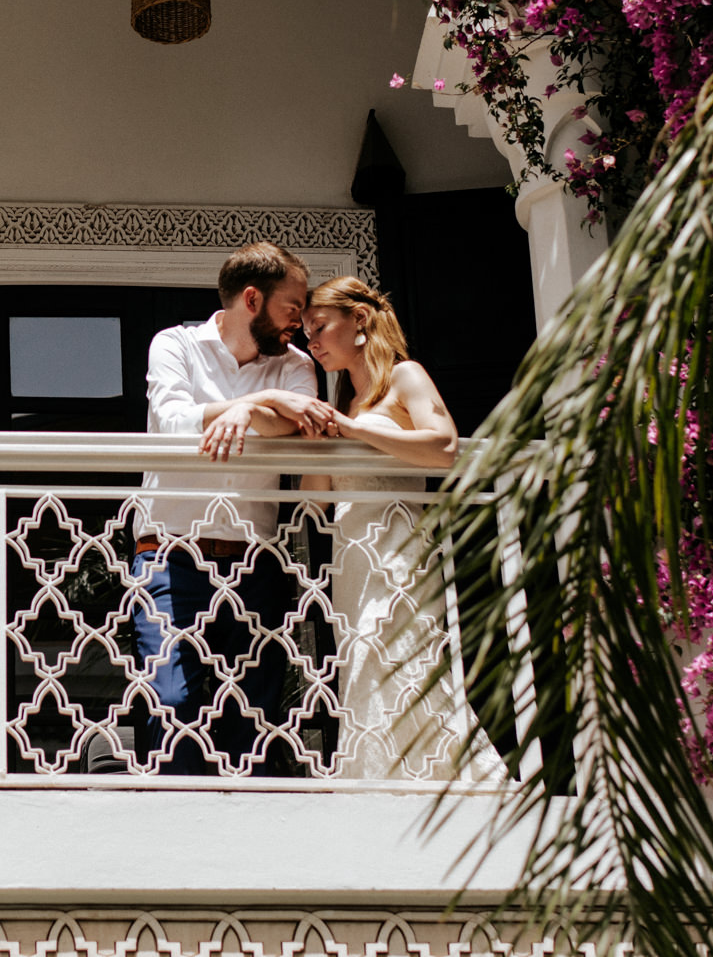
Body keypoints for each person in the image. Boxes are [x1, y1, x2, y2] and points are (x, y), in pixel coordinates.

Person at [123, 241, 333, 775]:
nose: (301, 321)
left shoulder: (296, 365)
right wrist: (251, 405)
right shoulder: (175, 345)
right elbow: (173, 423)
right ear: (252, 300)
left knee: (253, 720)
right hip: (168, 554)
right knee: (171, 705)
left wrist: (246, 410)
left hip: (253, 563)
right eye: (293, 306)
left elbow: (294, 424)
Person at [297, 276, 499, 781]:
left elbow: (444, 447)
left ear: (359, 320)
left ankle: (444, 783)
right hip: (353, 560)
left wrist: (353, 429)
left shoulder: (405, 377)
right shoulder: (342, 404)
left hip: (400, 553)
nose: (312, 342)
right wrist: (320, 434)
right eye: (306, 333)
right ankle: (376, 784)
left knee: (408, 664)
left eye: (319, 326)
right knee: (362, 671)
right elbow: (315, 500)